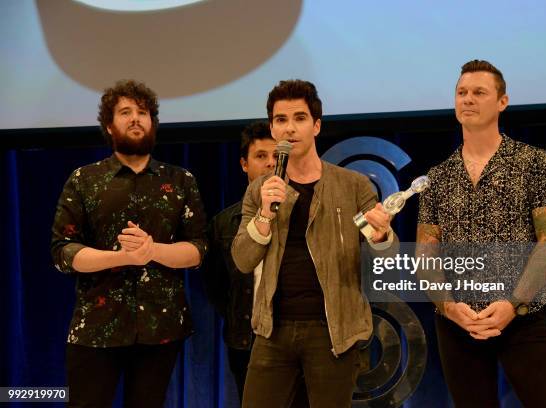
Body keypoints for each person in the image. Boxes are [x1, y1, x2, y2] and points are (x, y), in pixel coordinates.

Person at [417, 60, 546, 407]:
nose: (467, 99)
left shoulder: (534, 163)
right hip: (458, 324)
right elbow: (425, 257)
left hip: (522, 317)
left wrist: (512, 303)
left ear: (502, 102)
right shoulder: (438, 177)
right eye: (461, 93)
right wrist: (449, 307)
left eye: (478, 92)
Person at [231, 79, 396, 407]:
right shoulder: (260, 190)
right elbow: (242, 259)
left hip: (333, 331)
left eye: (299, 118)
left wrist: (381, 236)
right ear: (272, 128)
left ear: (316, 125)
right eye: (281, 120)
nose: (289, 128)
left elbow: (386, 256)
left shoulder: (353, 186)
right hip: (273, 331)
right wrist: (264, 214)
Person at [51, 80, 207, 408]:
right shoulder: (84, 179)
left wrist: (152, 251)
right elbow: (63, 251)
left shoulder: (180, 180)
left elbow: (198, 249)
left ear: (153, 122)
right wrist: (119, 257)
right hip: (96, 326)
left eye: (143, 112)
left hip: (161, 326)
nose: (135, 118)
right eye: (125, 112)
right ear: (110, 125)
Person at [205, 121, 307, 406]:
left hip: (303, 336)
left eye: (276, 156)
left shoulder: (306, 214)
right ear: (244, 164)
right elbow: (214, 285)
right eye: (260, 156)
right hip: (246, 341)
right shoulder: (223, 223)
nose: (270, 164)